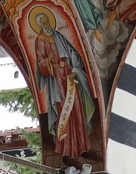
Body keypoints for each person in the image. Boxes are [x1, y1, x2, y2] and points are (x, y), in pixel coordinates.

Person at [31, 9, 95, 160]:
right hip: (56, 80)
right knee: (62, 111)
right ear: (39, 26)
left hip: (69, 76)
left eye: (48, 21)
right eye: (44, 23)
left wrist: (74, 70)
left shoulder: (58, 35)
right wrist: (48, 60)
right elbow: (39, 64)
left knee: (76, 109)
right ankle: (66, 148)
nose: (48, 25)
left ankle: (82, 145)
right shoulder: (39, 41)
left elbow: (73, 53)